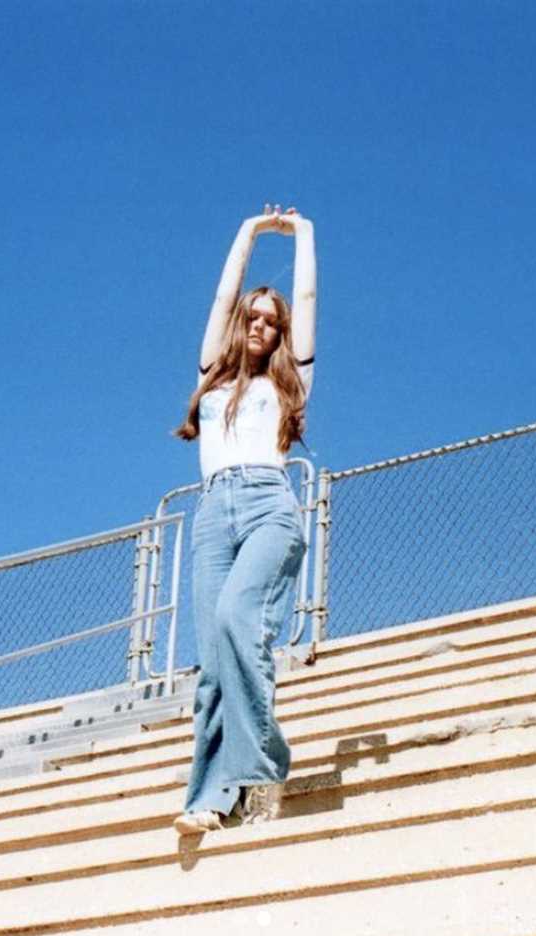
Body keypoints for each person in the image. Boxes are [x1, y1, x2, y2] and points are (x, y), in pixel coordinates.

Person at [171, 204, 316, 834]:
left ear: (281, 334)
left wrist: (303, 234)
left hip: (267, 505)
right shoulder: (214, 375)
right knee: (212, 661)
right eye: (252, 317)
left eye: (270, 321)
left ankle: (260, 776)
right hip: (211, 513)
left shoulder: (291, 383)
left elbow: (307, 296)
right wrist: (249, 232)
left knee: (239, 622)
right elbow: (224, 295)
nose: (259, 324)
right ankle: (209, 798)